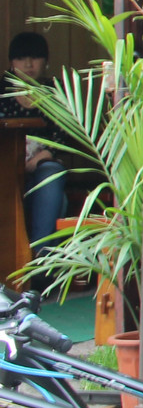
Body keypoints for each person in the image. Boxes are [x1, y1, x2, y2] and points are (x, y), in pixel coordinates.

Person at [0, 32, 65, 258]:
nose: (28, 64)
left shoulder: (54, 91)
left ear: (46, 61)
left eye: (35, 57)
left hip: (41, 165)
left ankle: (39, 257)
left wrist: (40, 157)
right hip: (6, 167)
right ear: (11, 62)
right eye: (21, 58)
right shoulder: (2, 91)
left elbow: (62, 134)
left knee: (52, 174)